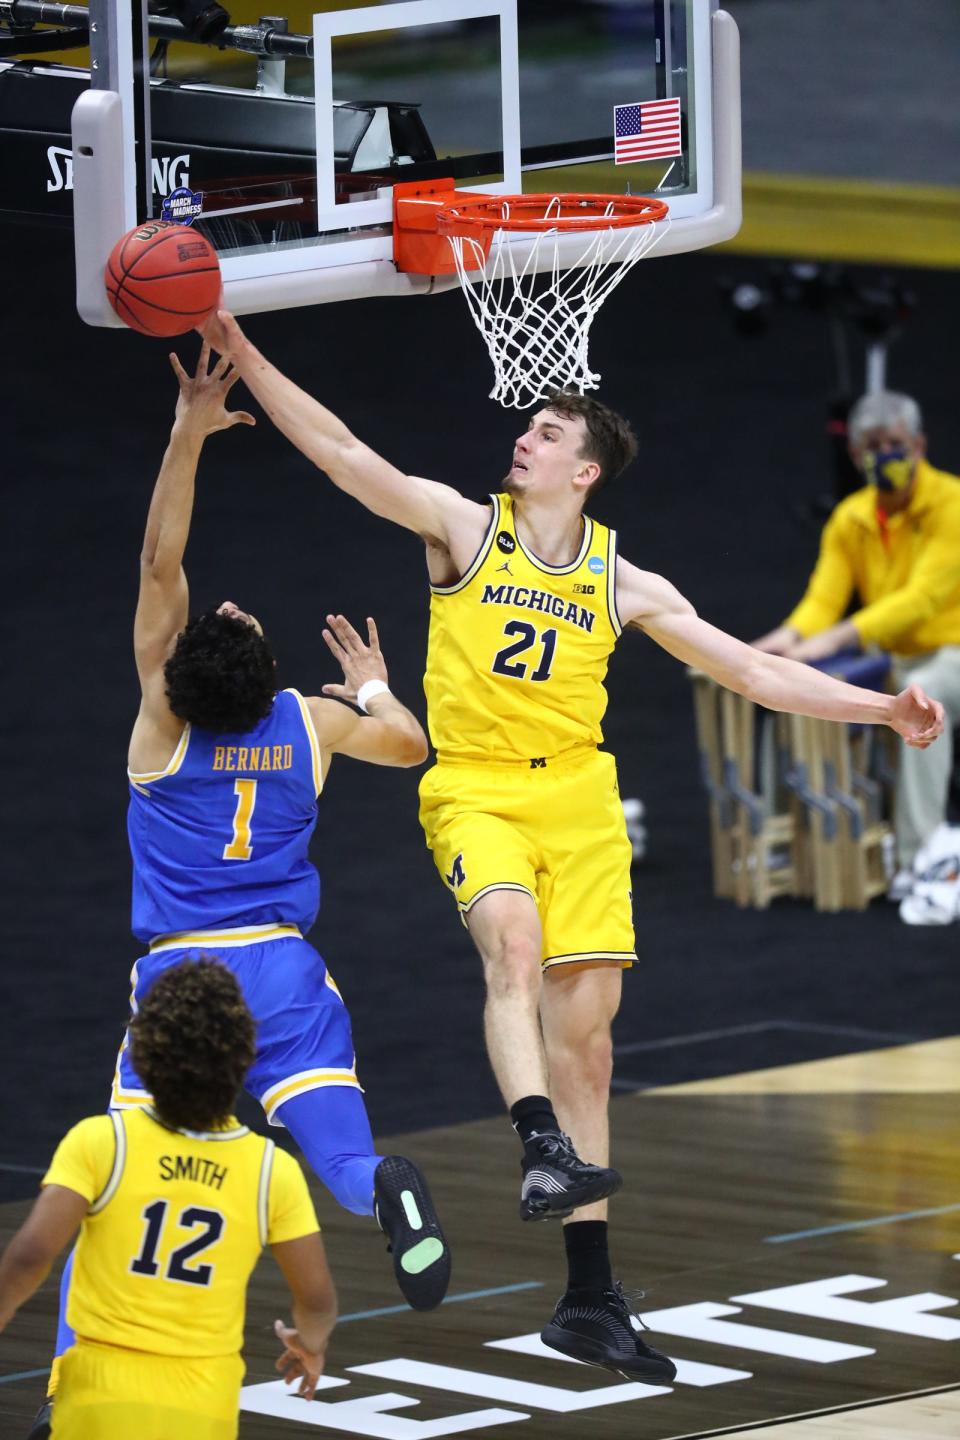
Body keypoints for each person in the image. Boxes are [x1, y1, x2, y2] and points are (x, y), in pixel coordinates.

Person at [199, 309, 942, 1381]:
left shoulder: (620, 580)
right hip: (478, 793)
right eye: (529, 429)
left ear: (585, 471)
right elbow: (344, 455)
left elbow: (755, 671)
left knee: (588, 1038)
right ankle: (541, 1143)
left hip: (582, 798)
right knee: (511, 944)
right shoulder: (462, 527)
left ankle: (589, 1298)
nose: (526, 441)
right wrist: (245, 349)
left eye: (548, 435)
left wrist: (878, 713)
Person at [31, 344, 449, 1440]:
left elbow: (158, 564)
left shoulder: (161, 727)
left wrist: (187, 430)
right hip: (287, 966)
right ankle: (381, 1189)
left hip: (180, 980)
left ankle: (66, 1386)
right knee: (343, 1149)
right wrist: (369, 684)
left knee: (114, 1184)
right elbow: (410, 748)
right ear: (262, 675)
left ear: (177, 675)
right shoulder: (308, 725)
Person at [0, 958, 337, 1439]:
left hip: (98, 1399)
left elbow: (31, 1254)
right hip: (200, 1410)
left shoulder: (101, 1142)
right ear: (243, 1059)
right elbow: (317, 1298)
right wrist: (309, 1343)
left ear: (143, 1053)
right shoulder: (270, 1170)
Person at [753, 390, 960, 901]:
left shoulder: (951, 502)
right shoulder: (851, 517)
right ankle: (779, 839)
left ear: (920, 445)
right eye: (874, 445)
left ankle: (921, 862)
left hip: (949, 652)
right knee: (783, 686)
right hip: (892, 656)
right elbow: (822, 601)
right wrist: (775, 647)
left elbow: (921, 599)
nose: (886, 454)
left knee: (923, 695)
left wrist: (838, 637)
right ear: (855, 455)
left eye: (897, 443)